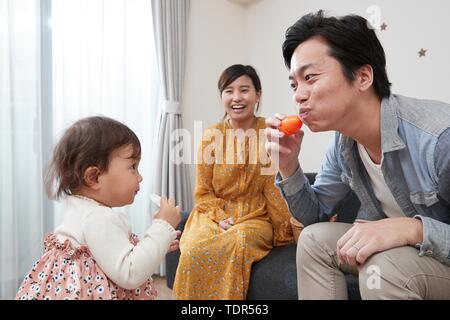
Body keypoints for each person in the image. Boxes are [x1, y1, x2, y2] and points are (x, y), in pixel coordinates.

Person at [265, 10, 450, 299]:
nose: (298, 95)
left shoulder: (439, 139)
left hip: (438, 259)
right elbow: (314, 217)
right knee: (314, 240)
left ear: (363, 77)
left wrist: (413, 230)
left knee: (383, 267)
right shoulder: (343, 145)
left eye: (310, 77)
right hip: (405, 255)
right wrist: (288, 166)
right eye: (294, 84)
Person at [15, 116, 181, 300]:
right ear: (93, 177)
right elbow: (131, 272)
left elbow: (108, 254)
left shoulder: (80, 206)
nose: (139, 177)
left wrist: (152, 247)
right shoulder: (98, 218)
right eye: (132, 167)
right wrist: (162, 227)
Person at [173, 64, 294, 300]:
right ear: (222, 97)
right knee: (193, 249)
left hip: (255, 218)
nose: (236, 98)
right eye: (229, 91)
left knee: (237, 241)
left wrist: (285, 230)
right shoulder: (210, 136)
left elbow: (272, 188)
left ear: (258, 95)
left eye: (244, 90)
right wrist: (220, 217)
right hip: (212, 215)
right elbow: (203, 191)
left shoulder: (269, 133)